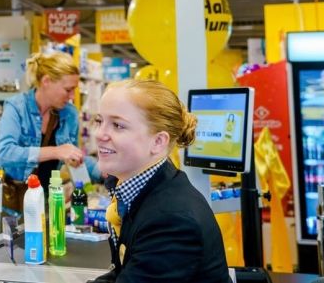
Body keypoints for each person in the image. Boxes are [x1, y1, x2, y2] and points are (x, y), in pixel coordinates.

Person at [90, 79, 229, 283]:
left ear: (158, 141)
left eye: (118, 125)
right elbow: (125, 272)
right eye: (99, 121)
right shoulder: (139, 191)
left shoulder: (172, 220)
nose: (100, 134)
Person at [0, 51, 101, 202]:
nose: (72, 97)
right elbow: (4, 154)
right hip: (8, 200)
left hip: (43, 199)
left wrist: (102, 170)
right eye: (68, 90)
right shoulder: (17, 107)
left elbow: (73, 157)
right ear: (46, 81)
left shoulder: (69, 114)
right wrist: (56, 151)